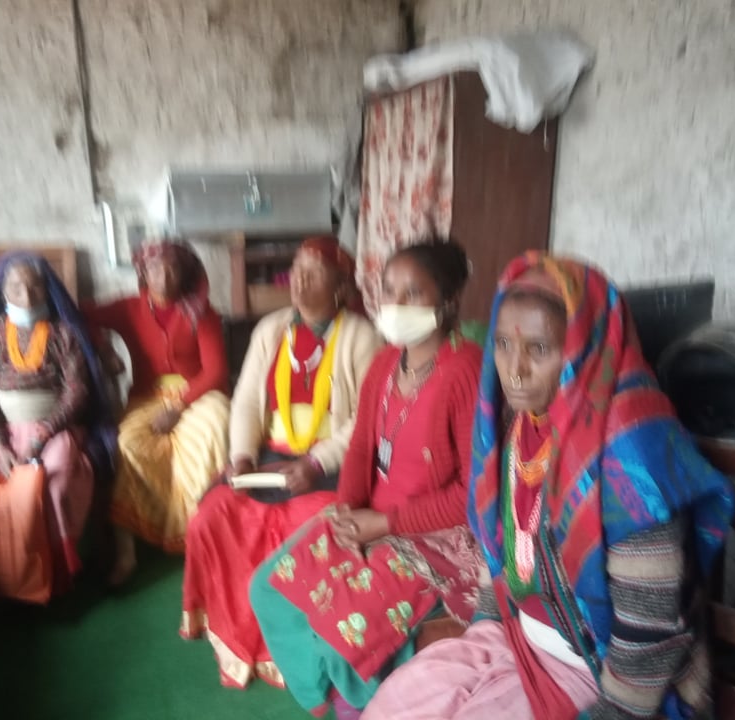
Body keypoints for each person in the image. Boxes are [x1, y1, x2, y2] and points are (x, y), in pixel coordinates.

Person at [361, 253, 735, 720]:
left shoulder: (632, 456)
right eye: (502, 344)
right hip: (514, 636)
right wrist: (484, 632)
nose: (514, 370)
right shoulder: (516, 428)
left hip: (594, 667)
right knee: (395, 702)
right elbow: (499, 547)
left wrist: (612, 712)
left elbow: (651, 629)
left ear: (584, 348)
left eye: (538, 349)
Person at [249, 240, 484, 718]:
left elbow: (472, 494)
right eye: (388, 290)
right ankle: (322, 701)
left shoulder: (467, 371)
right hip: (370, 518)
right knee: (267, 588)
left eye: (412, 292)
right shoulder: (384, 365)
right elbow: (360, 448)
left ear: (449, 299)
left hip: (436, 537)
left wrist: (385, 524)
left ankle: (361, 704)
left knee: (345, 632)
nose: (395, 303)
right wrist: (346, 509)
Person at [181, 236, 381, 689]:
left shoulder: (362, 336)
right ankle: (236, 632)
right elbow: (248, 401)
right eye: (296, 269)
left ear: (341, 285)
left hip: (329, 464)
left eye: (314, 272)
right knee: (213, 514)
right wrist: (241, 456)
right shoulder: (270, 329)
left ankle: (298, 647)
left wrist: (316, 462)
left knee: (311, 526)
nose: (299, 280)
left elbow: (364, 420)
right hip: (269, 458)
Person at [0, 251, 115, 596]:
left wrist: (44, 433)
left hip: (55, 428)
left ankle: (53, 577)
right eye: (16, 288)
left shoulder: (65, 334)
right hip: (1, 430)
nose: (26, 296)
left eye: (35, 287)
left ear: (47, 290)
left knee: (54, 480)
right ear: (1, 292)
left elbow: (76, 391)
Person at [85, 239, 230, 584]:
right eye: (154, 268)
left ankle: (204, 539)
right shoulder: (129, 308)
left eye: (172, 268)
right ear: (142, 272)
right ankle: (127, 554)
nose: (163, 276)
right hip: (147, 396)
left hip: (198, 393)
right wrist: (104, 349)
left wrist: (179, 406)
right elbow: (82, 312)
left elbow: (215, 371)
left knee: (212, 433)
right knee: (128, 443)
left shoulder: (201, 312)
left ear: (186, 273)